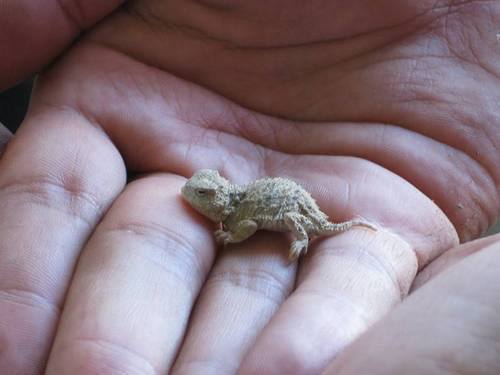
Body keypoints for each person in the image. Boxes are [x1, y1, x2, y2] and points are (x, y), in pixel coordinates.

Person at [0, 1, 499, 373]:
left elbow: (245, 228)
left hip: (297, 211)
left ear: (217, 199)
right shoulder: (231, 205)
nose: (192, 198)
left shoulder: (235, 217)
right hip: (284, 192)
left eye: (202, 196)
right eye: (197, 192)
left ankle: (304, 238)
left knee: (296, 229)